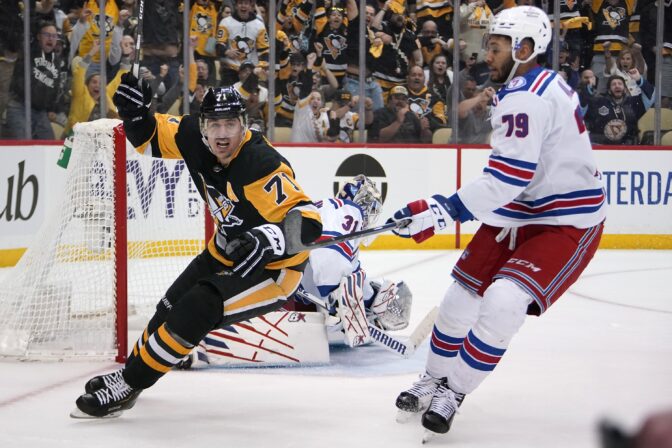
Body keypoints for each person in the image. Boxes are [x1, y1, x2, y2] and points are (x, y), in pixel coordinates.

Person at [387, 6, 606, 440]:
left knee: (504, 301)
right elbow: (514, 178)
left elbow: (508, 177)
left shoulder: (526, 95)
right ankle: (431, 378)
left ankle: (454, 391)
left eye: (496, 46)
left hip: (566, 219)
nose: (486, 53)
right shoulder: (529, 86)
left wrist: (442, 208)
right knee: (458, 299)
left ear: (525, 48)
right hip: (522, 210)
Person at [71, 80, 322, 418]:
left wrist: (271, 237)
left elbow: (307, 218)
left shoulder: (259, 162)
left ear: (244, 126)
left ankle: (128, 384)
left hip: (273, 270)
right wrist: (133, 114)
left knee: (197, 306)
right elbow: (148, 136)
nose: (222, 134)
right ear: (203, 125)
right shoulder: (192, 136)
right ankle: (131, 377)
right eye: (215, 124)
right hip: (223, 251)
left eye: (230, 124)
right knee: (167, 308)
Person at [292, 175, 413, 346]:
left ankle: (370, 311)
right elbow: (329, 255)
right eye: (371, 208)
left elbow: (347, 269)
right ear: (362, 201)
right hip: (295, 293)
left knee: (357, 279)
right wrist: (333, 296)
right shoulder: (346, 209)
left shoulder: (330, 213)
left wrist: (366, 301)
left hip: (295, 287)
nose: (370, 215)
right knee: (350, 281)